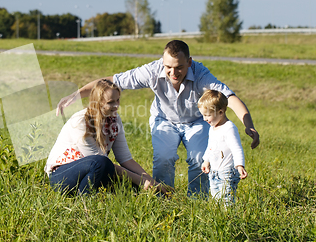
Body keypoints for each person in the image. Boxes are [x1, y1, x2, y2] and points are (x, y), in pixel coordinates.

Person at [57, 40, 259, 197]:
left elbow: (228, 97)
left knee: (199, 158)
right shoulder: (152, 71)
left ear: (189, 62)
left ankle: (199, 199)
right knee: (163, 158)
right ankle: (164, 196)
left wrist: (248, 124)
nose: (173, 72)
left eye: (179, 67)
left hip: (196, 122)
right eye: (168, 67)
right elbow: (111, 81)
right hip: (164, 120)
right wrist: (76, 95)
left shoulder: (201, 75)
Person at [45, 79, 169, 195]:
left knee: (132, 186)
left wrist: (150, 181)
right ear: (98, 103)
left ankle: (164, 196)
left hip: (93, 171)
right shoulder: (80, 121)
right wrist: (141, 180)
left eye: (118, 100)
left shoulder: (114, 120)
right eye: (111, 102)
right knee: (101, 163)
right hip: (62, 175)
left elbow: (126, 159)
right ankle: (84, 201)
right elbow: (97, 160)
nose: (116, 106)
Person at [198, 90, 248, 205]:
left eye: (207, 115)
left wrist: (239, 165)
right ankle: (220, 217)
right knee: (216, 197)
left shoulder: (229, 128)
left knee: (226, 199)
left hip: (227, 172)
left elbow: (236, 148)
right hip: (215, 171)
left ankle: (228, 218)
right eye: (203, 115)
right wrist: (206, 161)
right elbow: (211, 146)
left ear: (220, 112)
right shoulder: (213, 127)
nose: (204, 119)